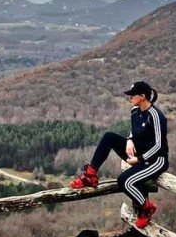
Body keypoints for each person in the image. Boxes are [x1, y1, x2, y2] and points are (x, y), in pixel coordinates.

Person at [70, 81, 169, 228]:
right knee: (109, 137)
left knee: (124, 181)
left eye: (132, 95)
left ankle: (146, 208)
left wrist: (139, 159)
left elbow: (159, 146)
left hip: (155, 160)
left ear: (142, 96)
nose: (130, 98)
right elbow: (134, 131)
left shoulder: (156, 116)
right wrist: (129, 140)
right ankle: (91, 175)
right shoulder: (135, 111)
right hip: (138, 153)